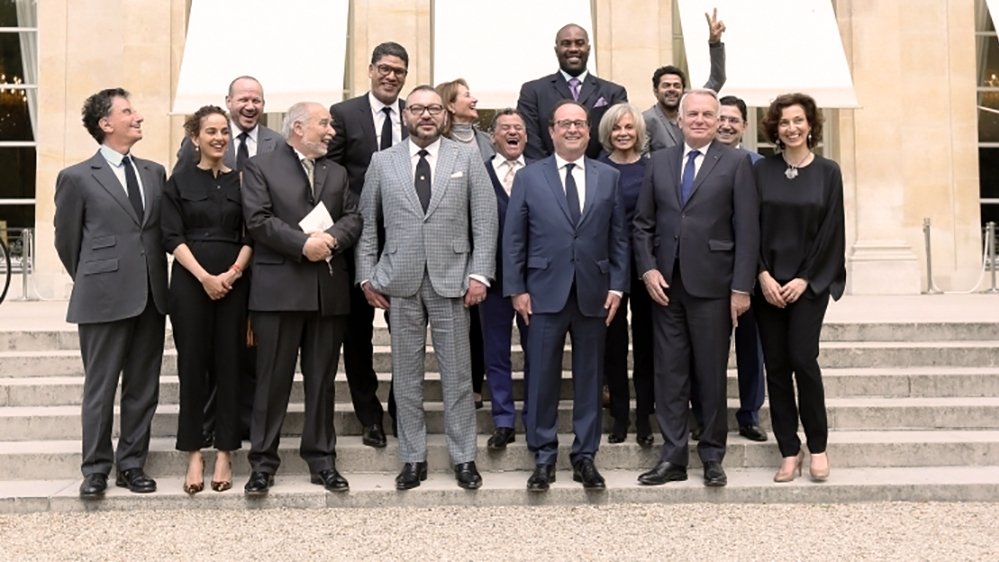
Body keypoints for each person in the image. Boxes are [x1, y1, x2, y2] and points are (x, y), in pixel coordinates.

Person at [355, 86, 498, 491]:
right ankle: (413, 458)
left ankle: (463, 458)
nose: (426, 116)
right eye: (417, 109)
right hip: (399, 281)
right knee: (406, 376)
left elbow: (485, 222)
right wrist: (366, 276)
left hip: (452, 280)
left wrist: (480, 274)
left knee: (457, 375)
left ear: (445, 115)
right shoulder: (382, 162)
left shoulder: (466, 157)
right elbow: (368, 224)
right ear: (405, 115)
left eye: (434, 109)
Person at [632, 89, 758, 488]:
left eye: (709, 114)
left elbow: (747, 230)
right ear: (680, 120)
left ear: (718, 121)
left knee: (710, 374)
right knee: (670, 374)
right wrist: (648, 270)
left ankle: (711, 455)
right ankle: (672, 458)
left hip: (715, 286)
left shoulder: (737, 163)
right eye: (694, 114)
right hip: (666, 286)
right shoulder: (659, 162)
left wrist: (741, 288)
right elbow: (642, 224)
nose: (701, 120)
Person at [503, 100, 630, 492]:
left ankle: (584, 457)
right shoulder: (529, 177)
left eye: (579, 123)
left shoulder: (608, 177)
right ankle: (542, 457)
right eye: (564, 124)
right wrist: (516, 288)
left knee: (590, 377)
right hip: (542, 293)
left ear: (589, 131)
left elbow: (619, 237)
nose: (572, 129)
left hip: (594, 293)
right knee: (541, 376)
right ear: (551, 131)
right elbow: (514, 238)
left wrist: (617, 285)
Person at [241, 102, 361, 496]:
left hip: (327, 293)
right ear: (298, 127)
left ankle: (322, 460)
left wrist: (332, 240)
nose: (331, 131)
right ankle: (262, 464)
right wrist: (302, 244)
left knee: (322, 382)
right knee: (271, 382)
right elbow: (257, 219)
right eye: (323, 124)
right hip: (279, 292)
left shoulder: (337, 172)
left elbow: (353, 217)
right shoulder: (261, 166)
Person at [54, 88, 169, 498]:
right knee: (100, 387)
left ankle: (132, 465)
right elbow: (67, 244)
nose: (138, 116)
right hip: (102, 296)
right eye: (128, 111)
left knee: (143, 387)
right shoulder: (76, 177)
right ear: (106, 124)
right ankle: (96, 469)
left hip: (153, 297)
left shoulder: (155, 172)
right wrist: (99, 276)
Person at [173, 76, 281, 448]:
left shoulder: (263, 156)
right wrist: (205, 275)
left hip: (246, 275)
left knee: (239, 358)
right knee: (198, 360)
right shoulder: (187, 165)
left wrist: (235, 272)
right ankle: (199, 434)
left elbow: (261, 222)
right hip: (196, 278)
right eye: (243, 99)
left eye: (257, 99)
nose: (250, 105)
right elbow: (175, 224)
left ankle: (235, 435)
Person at [754, 93, 845, 483]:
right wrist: (762, 275)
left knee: (802, 360)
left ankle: (819, 447)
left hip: (808, 285)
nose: (791, 128)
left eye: (798, 121)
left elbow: (832, 233)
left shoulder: (828, 172)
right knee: (774, 366)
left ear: (811, 125)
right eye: (784, 122)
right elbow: (750, 227)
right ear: (774, 129)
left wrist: (805, 278)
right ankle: (789, 450)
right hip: (768, 285)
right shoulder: (761, 171)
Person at [162, 105, 253, 494]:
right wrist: (204, 278)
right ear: (195, 137)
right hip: (190, 283)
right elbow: (171, 236)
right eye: (211, 131)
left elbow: (252, 235)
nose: (219, 138)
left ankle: (226, 452)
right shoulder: (177, 181)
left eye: (224, 132)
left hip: (234, 283)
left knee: (231, 365)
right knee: (193, 366)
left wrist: (231, 275)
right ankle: (194, 452)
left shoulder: (244, 182)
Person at [327, 42, 411, 447]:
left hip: (406, 240)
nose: (391, 76)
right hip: (357, 239)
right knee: (356, 333)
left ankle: (401, 407)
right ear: (371, 69)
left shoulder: (416, 113)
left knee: (407, 328)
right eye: (385, 68)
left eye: (399, 71)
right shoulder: (344, 114)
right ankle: (369, 415)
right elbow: (331, 171)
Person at [595, 102, 655, 447]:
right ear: (607, 132)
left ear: (638, 132)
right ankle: (619, 415)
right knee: (613, 346)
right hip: (607, 270)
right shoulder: (597, 170)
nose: (622, 133)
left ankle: (645, 416)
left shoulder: (653, 169)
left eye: (628, 127)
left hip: (645, 267)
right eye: (616, 128)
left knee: (647, 345)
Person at [436, 78, 492, 409]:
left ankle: (474, 384)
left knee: (480, 320)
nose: (474, 99)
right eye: (467, 95)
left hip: (483, 240)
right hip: (449, 242)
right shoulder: (438, 143)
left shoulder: (487, 141)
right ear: (450, 105)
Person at [715, 94, 768, 443]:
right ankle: (708, 412)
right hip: (711, 272)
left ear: (744, 126)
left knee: (753, 349)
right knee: (710, 351)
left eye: (733, 119)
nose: (726, 124)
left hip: (750, 272)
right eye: (721, 118)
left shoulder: (761, 167)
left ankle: (749, 414)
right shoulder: (697, 162)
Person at [479, 108, 531, 449]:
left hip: (535, 281)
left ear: (526, 136)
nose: (513, 133)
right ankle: (502, 419)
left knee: (537, 350)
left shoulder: (543, 172)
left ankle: (535, 416)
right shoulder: (478, 174)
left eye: (519, 128)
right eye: (505, 128)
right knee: (495, 351)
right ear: (493, 137)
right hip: (493, 278)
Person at [517, 23, 627, 161]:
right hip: (546, 175)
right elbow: (531, 138)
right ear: (556, 50)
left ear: (588, 49)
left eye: (579, 43)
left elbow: (616, 136)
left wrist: (595, 170)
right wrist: (549, 171)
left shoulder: (613, 92)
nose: (573, 49)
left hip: (599, 174)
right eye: (566, 44)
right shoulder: (532, 92)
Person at [644, 9, 727, 153]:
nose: (672, 89)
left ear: (683, 90)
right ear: (655, 91)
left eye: (677, 85)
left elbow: (717, 79)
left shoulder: (694, 105)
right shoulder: (646, 120)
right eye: (666, 85)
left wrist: (715, 43)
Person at [176, 76, 283, 172]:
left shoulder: (279, 143)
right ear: (228, 102)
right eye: (243, 100)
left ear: (263, 104)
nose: (250, 107)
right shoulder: (202, 140)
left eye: (256, 101)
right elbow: (180, 181)